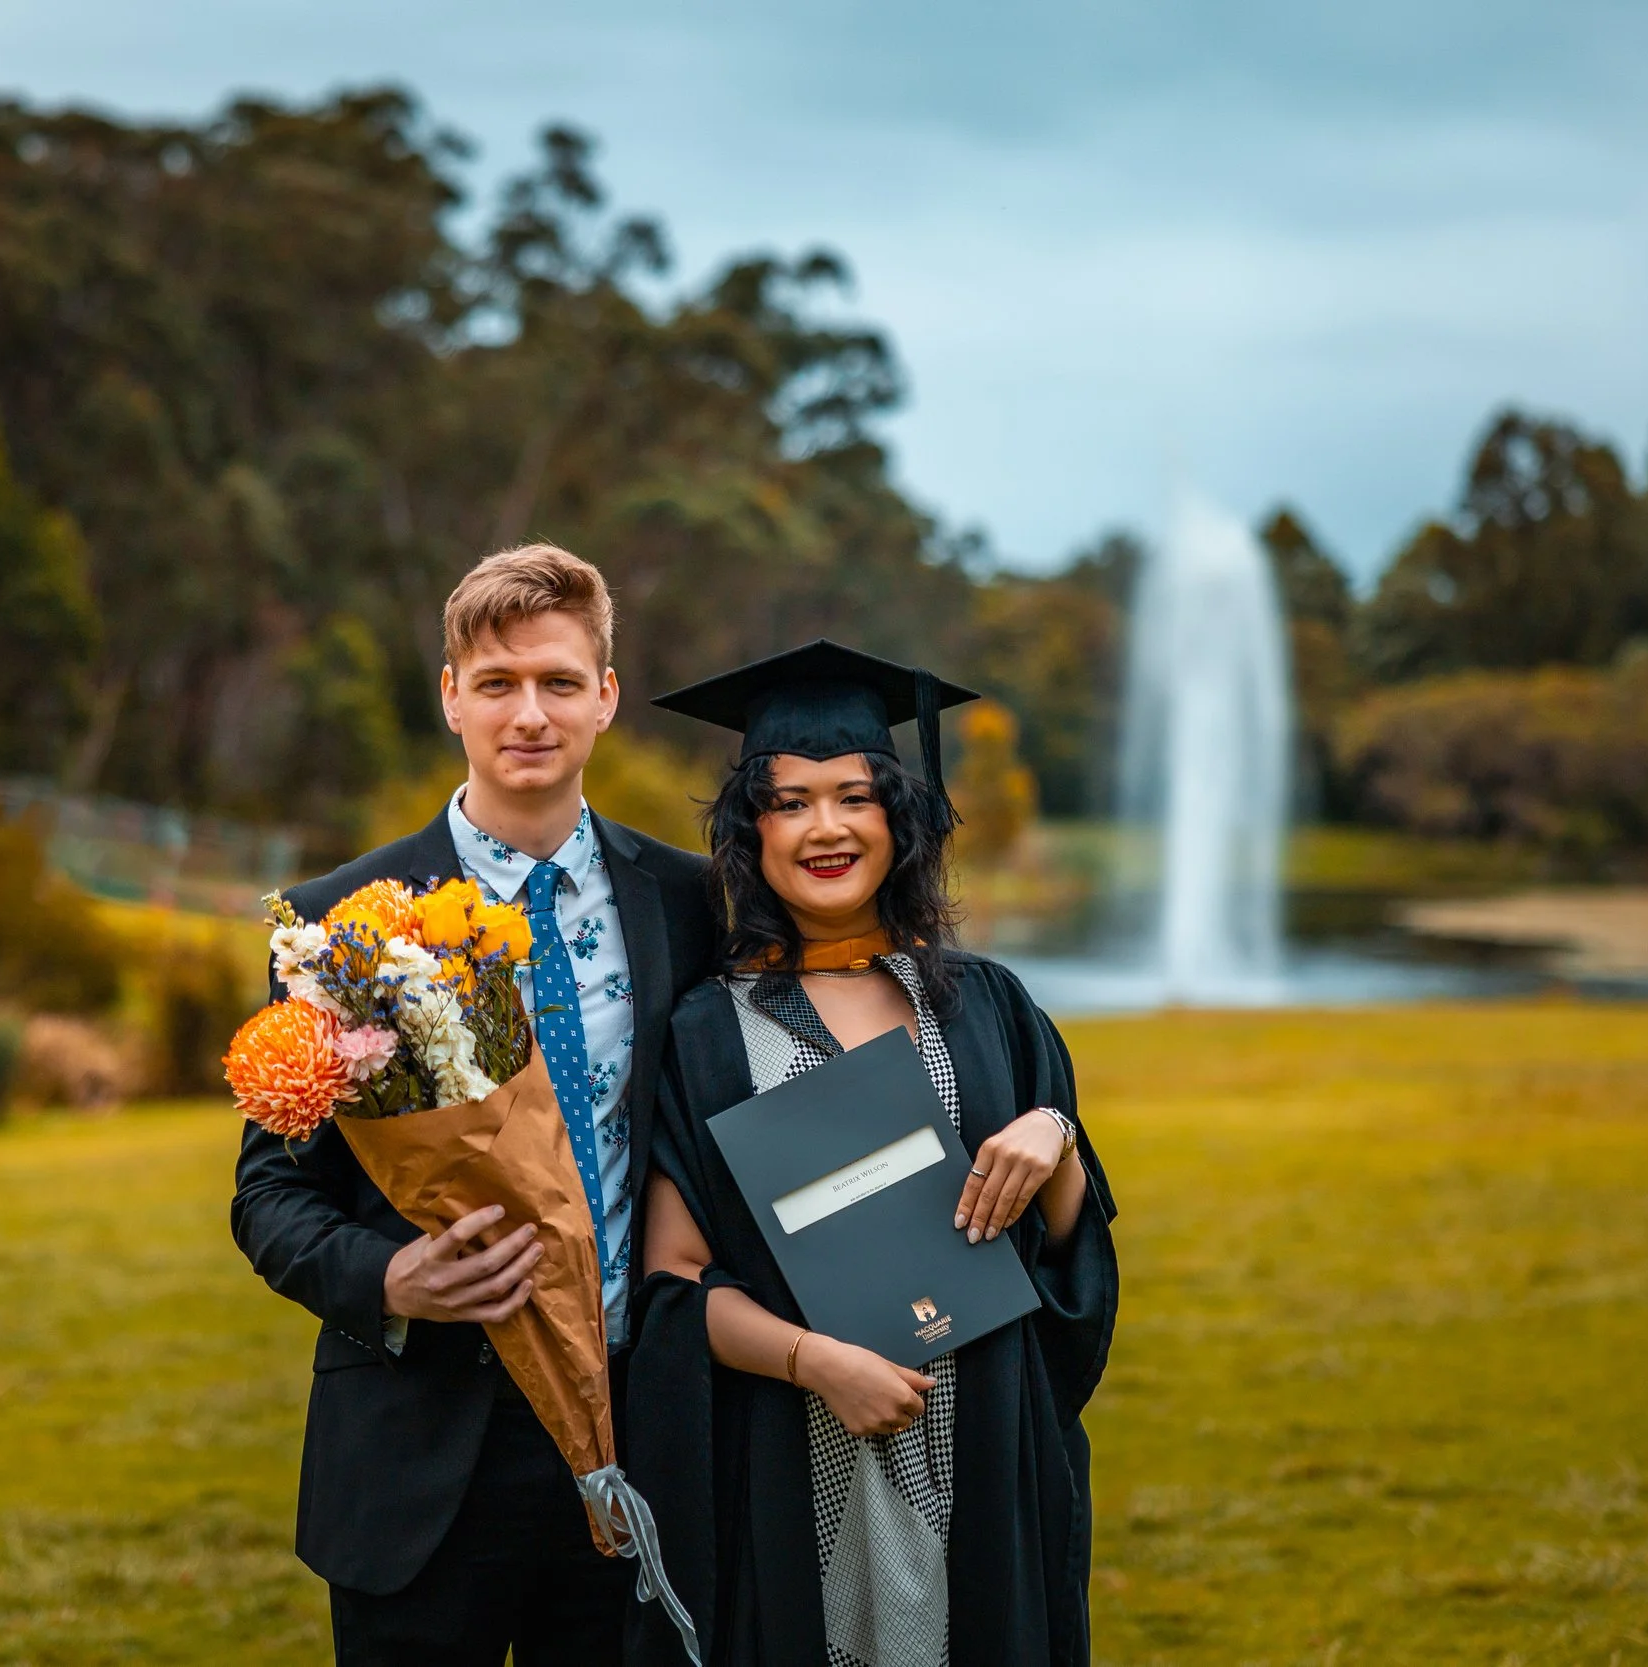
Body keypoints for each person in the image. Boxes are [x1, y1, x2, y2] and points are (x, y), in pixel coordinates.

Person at [230, 545, 719, 1666]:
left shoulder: (693, 903)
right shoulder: (337, 923)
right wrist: (387, 1279)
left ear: (605, 693)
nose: (529, 713)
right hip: (419, 1447)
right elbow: (268, 1192)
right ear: (450, 697)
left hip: (635, 1427)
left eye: (557, 680)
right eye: (496, 683)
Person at [626, 640, 1120, 1667]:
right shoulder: (708, 1032)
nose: (825, 827)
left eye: (854, 794)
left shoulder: (987, 1005)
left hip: (983, 1439)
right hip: (800, 1449)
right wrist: (819, 1361)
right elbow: (673, 1281)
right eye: (789, 800)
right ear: (747, 830)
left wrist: (1056, 1139)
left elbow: (1072, 1252)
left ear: (901, 815)